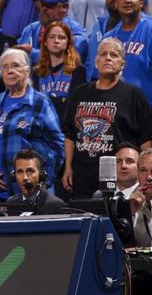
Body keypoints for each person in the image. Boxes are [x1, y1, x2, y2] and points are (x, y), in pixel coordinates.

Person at [62, 38, 152, 198]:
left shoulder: (133, 94)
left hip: (119, 178)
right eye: (103, 54)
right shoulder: (79, 93)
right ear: (96, 62)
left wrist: (146, 173)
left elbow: (145, 139)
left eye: (114, 55)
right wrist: (68, 167)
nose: (108, 58)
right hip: (83, 175)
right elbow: (70, 135)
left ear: (122, 64)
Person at [0, 48, 65, 201]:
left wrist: (44, 180)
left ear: (27, 71)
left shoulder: (40, 103)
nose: (10, 71)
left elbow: (56, 146)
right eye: (5, 67)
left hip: (31, 193)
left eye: (15, 66)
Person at [103, 0, 152, 102]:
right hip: (115, 108)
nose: (127, 0)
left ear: (141, 3)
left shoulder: (149, 31)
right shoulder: (108, 39)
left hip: (146, 108)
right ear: (115, 3)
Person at [32, 21, 87, 121]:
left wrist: (48, 102)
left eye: (61, 37)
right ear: (45, 42)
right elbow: (34, 105)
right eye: (51, 37)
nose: (56, 41)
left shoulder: (78, 70)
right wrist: (60, 100)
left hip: (66, 127)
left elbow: (75, 105)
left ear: (68, 43)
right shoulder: (37, 72)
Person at [5, 149, 66, 213]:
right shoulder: (11, 203)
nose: (25, 177)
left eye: (30, 171)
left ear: (40, 175)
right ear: (14, 176)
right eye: (20, 172)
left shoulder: (55, 205)